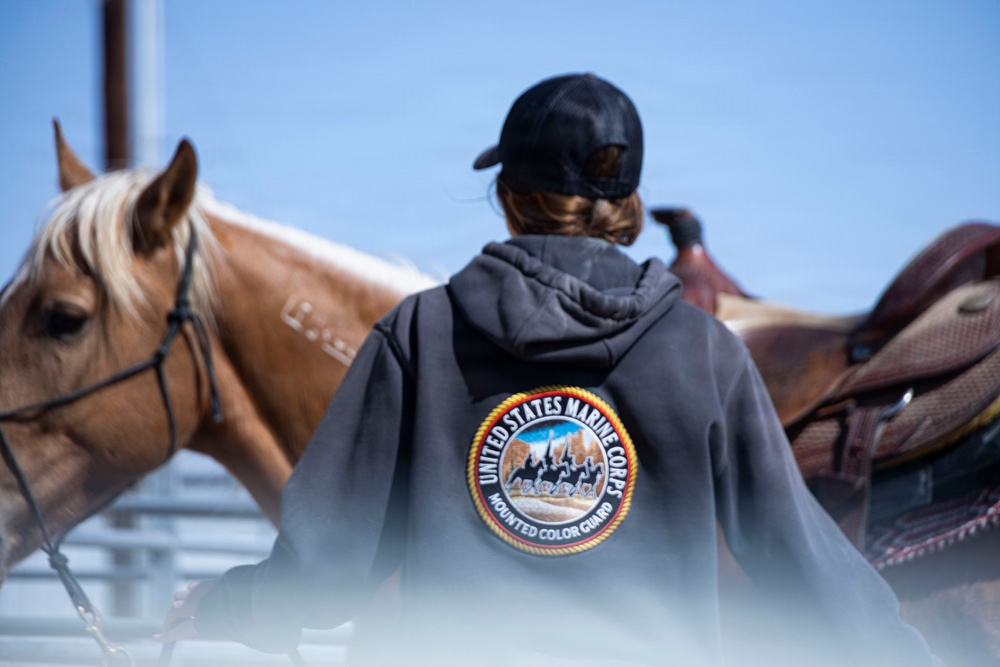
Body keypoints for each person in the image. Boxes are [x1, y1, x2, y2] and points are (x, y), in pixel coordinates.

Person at [158, 73, 942, 667]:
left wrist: (225, 605)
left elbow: (326, 567)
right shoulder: (704, 353)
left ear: (507, 196)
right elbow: (801, 566)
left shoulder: (420, 334)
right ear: (629, 207)